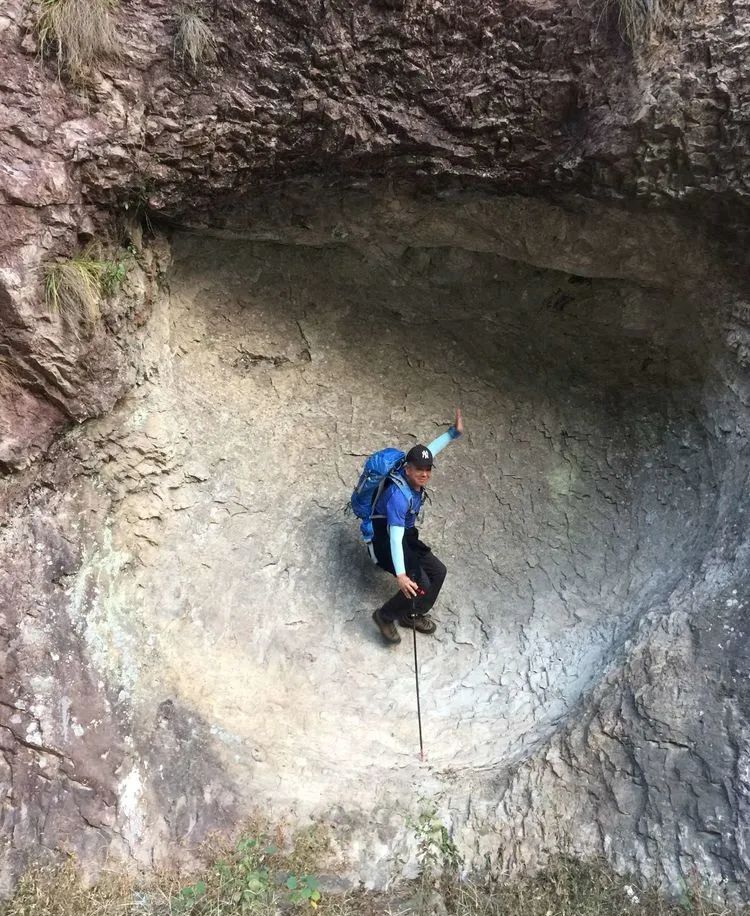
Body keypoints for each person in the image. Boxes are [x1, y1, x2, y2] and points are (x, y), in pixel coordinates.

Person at [371, 408, 464, 644]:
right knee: (418, 582)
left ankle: (412, 614)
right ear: (407, 469)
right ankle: (385, 616)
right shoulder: (398, 497)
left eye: (428, 469)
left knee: (438, 572)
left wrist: (452, 433)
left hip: (406, 534)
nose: (424, 474)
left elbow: (429, 451)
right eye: (419, 470)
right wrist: (401, 575)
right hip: (384, 540)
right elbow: (394, 538)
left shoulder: (412, 466)